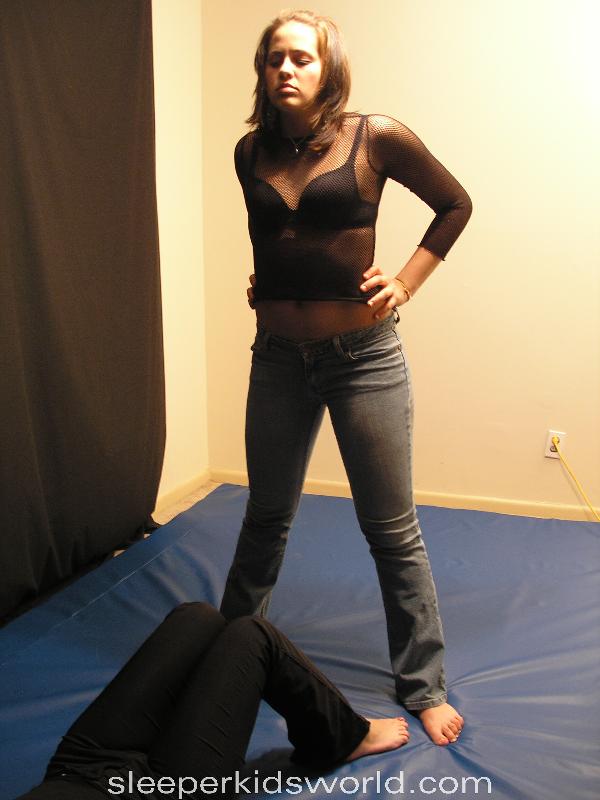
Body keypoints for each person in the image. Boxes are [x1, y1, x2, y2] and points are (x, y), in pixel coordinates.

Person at [219, 10, 472, 747]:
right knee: (266, 517)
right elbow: (272, 236)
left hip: (363, 360)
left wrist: (407, 282)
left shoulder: (374, 136)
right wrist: (270, 285)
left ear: (328, 69)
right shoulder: (250, 151)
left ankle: (423, 686)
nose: (286, 68)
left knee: (391, 529)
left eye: (301, 57)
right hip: (276, 358)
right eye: (275, 57)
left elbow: (454, 205)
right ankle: (224, 657)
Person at [14, 603, 408, 800]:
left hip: (78, 769)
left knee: (197, 618)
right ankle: (343, 738)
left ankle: (164, 741)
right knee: (254, 637)